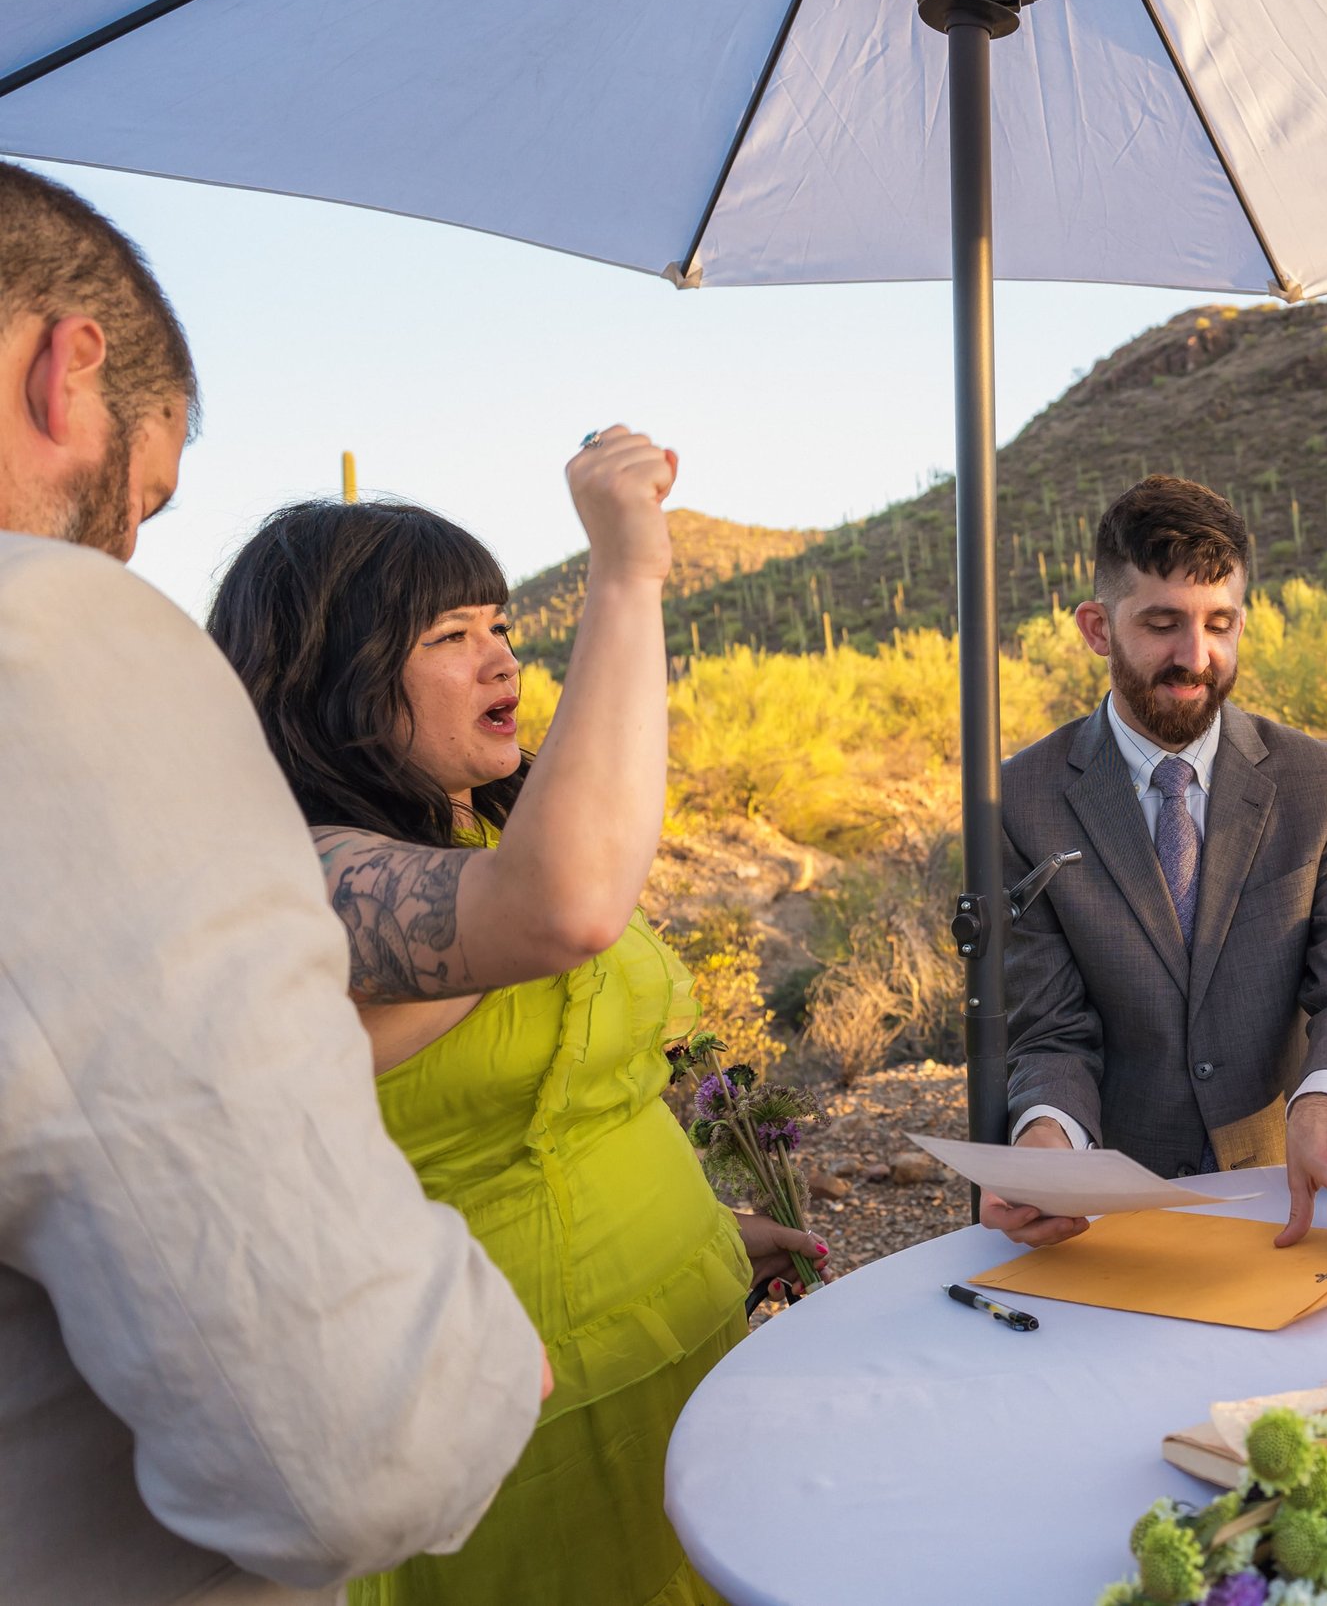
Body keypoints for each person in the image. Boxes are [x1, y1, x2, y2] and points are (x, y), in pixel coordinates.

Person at [0, 162, 546, 1604]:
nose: (125, 549)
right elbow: (353, 1445)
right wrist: (483, 1367)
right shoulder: (50, 652)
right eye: (144, 492)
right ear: (69, 368)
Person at [204, 448, 823, 1606]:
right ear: (330, 676)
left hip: (685, 1333)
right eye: (450, 634)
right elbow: (561, 909)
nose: (501, 654)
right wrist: (626, 571)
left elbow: (574, 1090)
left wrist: (710, 1223)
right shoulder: (311, 883)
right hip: (524, 1416)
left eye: (498, 623)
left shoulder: (485, 840)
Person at [984, 475, 1327, 1261]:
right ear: (1095, 626)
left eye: (1220, 624)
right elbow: (1050, 1026)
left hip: (1285, 1201)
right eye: (1162, 624)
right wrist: (1047, 1135)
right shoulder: (1022, 797)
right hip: (1110, 1221)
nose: (1196, 656)